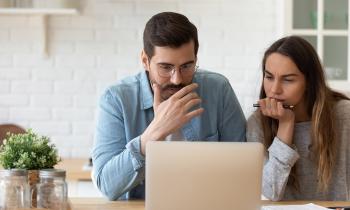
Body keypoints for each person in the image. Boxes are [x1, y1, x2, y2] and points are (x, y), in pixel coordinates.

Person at [92, 12, 246, 200]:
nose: (177, 78)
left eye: (187, 66)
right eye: (166, 67)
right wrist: (154, 133)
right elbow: (107, 186)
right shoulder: (116, 99)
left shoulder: (218, 90)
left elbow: (242, 170)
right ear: (145, 61)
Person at [247, 35, 350, 201]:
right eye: (269, 77)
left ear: (309, 82)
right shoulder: (257, 124)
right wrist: (286, 125)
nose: (274, 90)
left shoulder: (344, 116)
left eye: (288, 80)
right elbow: (267, 195)